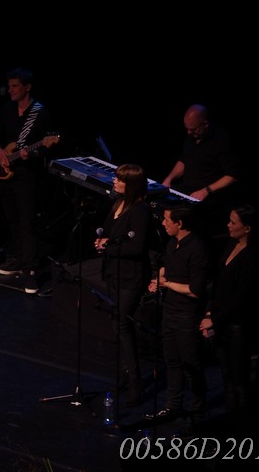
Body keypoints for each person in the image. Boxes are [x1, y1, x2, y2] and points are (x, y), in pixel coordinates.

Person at [0, 67, 57, 294]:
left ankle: (31, 270)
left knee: (27, 222)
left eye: (15, 86)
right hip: (5, 172)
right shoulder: (7, 109)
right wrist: (0, 152)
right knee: (11, 218)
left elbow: (48, 145)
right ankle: (19, 258)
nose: (10, 90)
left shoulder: (40, 112)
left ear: (27, 87)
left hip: (27, 175)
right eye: (9, 86)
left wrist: (33, 153)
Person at [93, 163, 153, 408]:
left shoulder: (140, 210)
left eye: (119, 180)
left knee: (122, 324)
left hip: (131, 276)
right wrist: (101, 241)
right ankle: (127, 374)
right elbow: (109, 232)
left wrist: (108, 246)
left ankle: (136, 381)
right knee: (117, 324)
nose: (114, 182)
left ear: (131, 185)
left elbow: (137, 247)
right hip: (114, 272)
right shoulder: (118, 204)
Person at [146, 203, 209, 427]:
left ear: (179, 223)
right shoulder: (173, 243)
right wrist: (158, 280)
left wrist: (167, 284)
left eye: (166, 220)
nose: (163, 223)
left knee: (191, 366)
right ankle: (173, 406)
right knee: (172, 362)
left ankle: (197, 415)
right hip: (170, 311)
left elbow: (195, 290)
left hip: (186, 315)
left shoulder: (197, 248)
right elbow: (168, 268)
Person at [198, 204, 259, 426]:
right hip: (222, 321)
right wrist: (210, 311)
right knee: (226, 376)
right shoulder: (230, 244)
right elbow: (219, 285)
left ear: (247, 228)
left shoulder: (252, 256)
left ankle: (243, 426)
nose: (228, 225)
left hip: (237, 326)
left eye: (233, 222)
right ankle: (231, 422)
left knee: (239, 380)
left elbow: (241, 298)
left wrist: (214, 319)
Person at [161, 104, 241, 246]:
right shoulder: (191, 136)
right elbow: (183, 161)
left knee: (187, 215)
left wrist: (206, 190)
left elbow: (232, 175)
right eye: (187, 129)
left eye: (193, 129)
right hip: (189, 188)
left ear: (205, 124)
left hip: (211, 194)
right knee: (161, 199)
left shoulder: (222, 140)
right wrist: (169, 179)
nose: (189, 133)